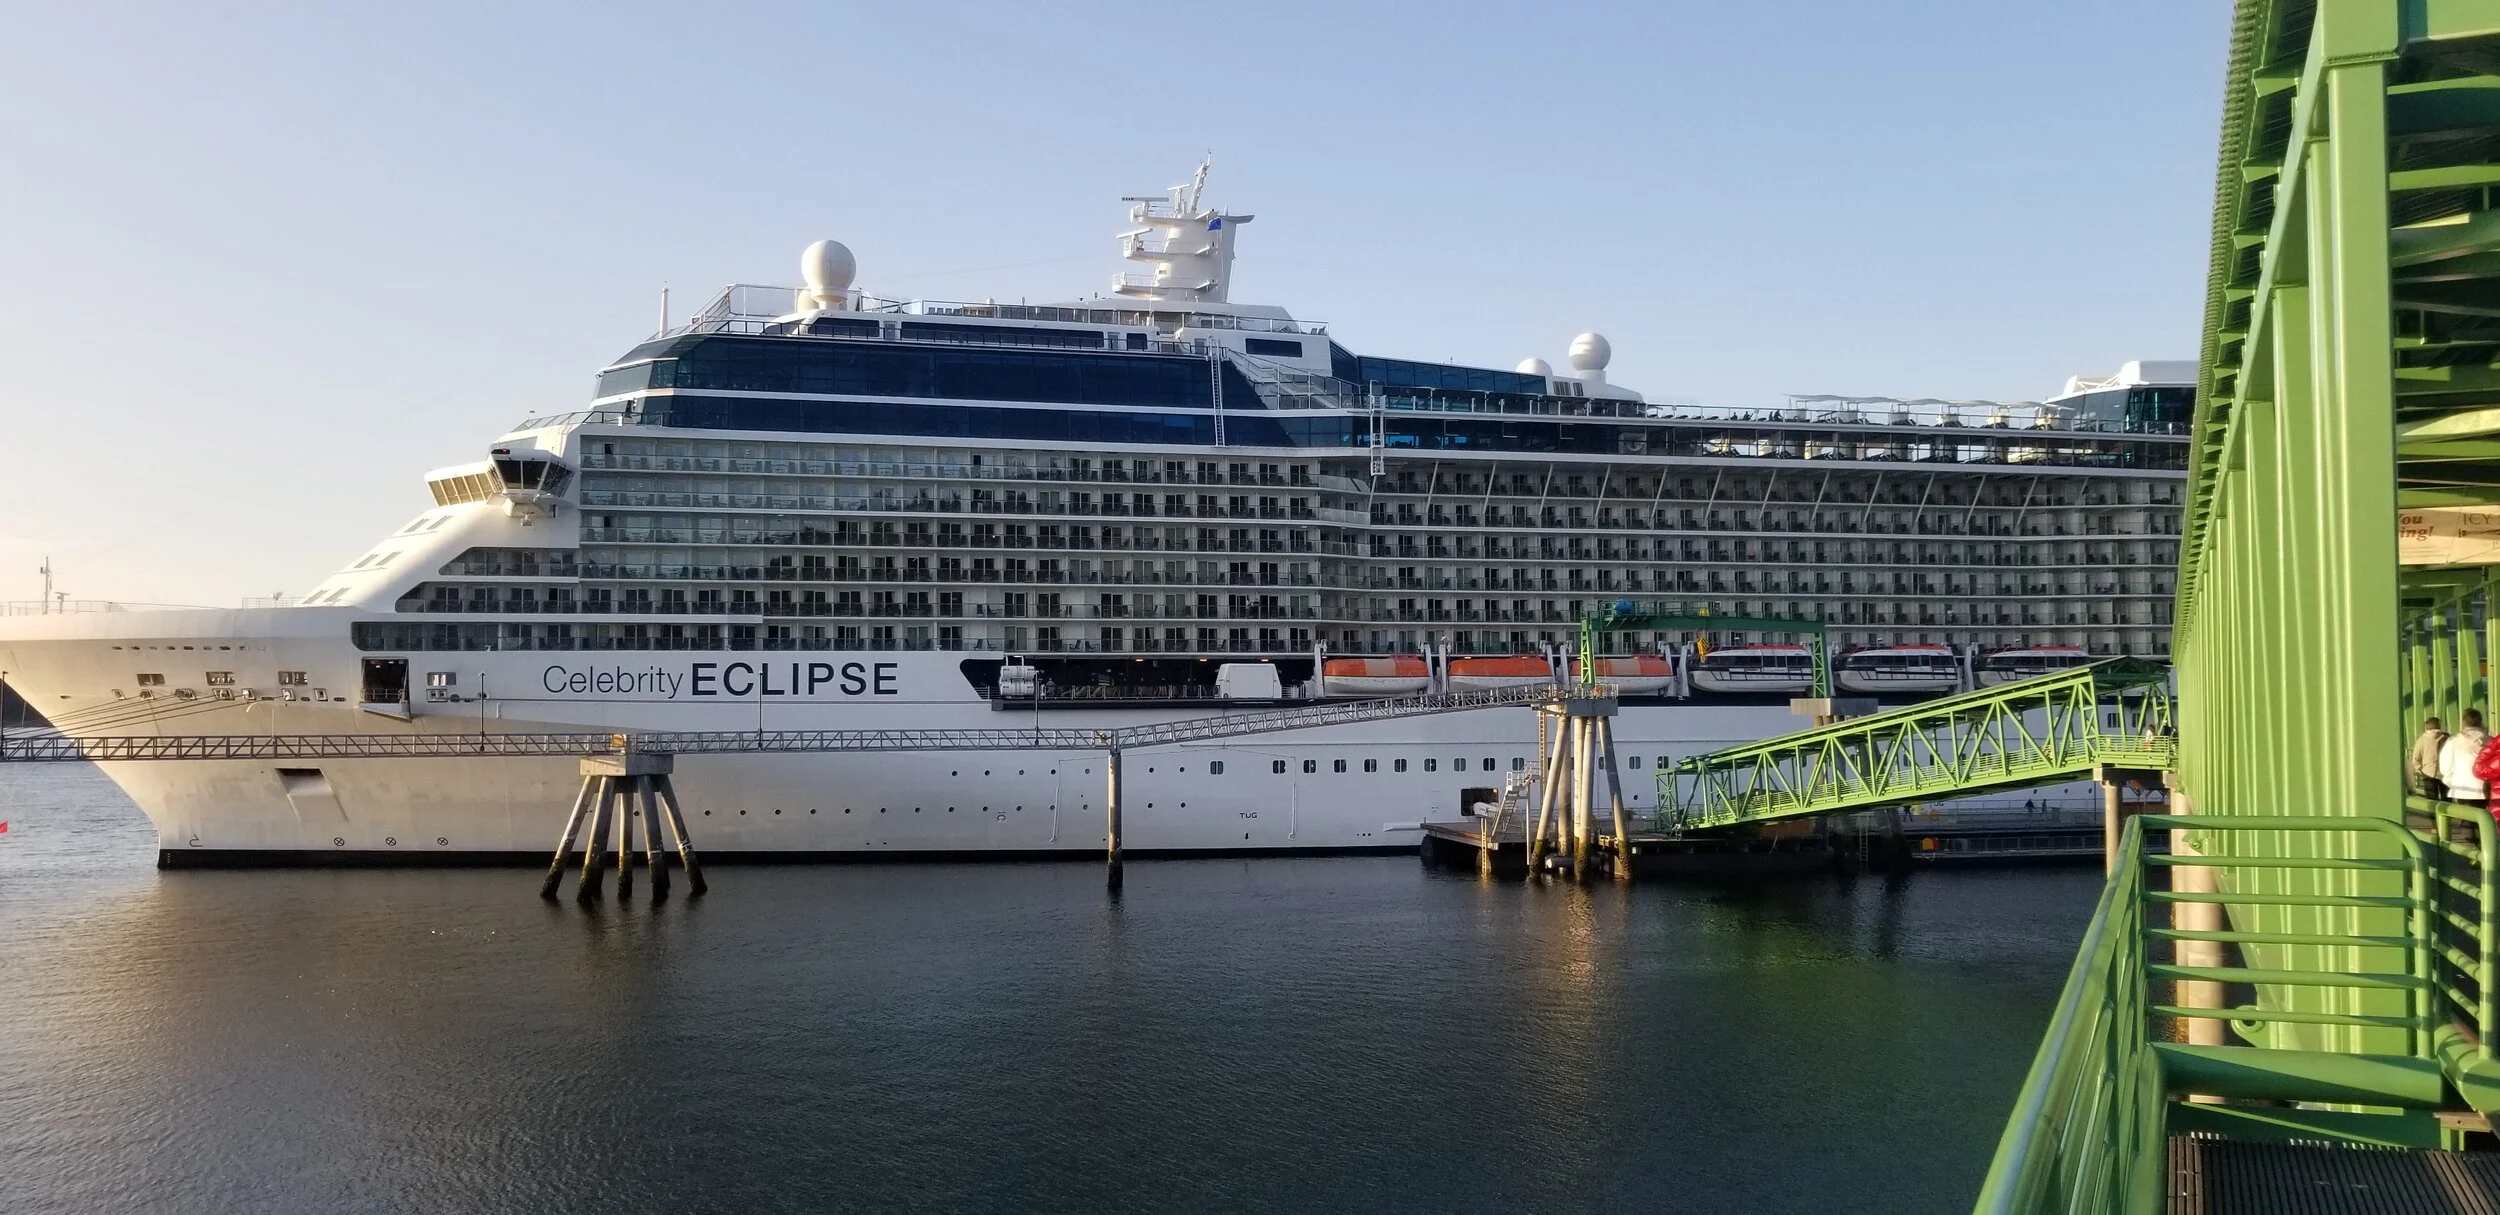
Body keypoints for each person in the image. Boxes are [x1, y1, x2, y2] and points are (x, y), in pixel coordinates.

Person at [2441, 709, 2490, 808]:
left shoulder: (2454, 741)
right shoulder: (2492, 741)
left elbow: (2445, 768)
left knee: (2467, 820)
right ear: (2481, 722)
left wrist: (2453, 783)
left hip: (2462, 790)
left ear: (2463, 723)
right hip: (2488, 791)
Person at [2415, 716, 2450, 800]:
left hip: (2428, 773)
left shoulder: (2421, 740)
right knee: (2446, 800)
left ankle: (2432, 813)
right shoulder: (2447, 738)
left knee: (2431, 800)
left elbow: (2416, 757)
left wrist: (2419, 770)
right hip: (2445, 773)